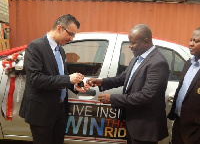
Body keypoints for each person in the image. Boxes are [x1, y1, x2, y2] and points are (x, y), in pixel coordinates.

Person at [87, 24, 169, 144]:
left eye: (133, 43)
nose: (130, 46)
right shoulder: (138, 57)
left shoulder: (158, 62)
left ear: (146, 41)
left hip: (145, 127)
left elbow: (146, 95)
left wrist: (113, 98)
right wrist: (102, 82)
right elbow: (124, 77)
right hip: (134, 123)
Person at [19, 14, 89, 144]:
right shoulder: (35, 47)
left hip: (59, 111)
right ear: (59, 28)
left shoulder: (60, 50)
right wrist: (68, 79)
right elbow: (35, 79)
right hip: (42, 113)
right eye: (70, 34)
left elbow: (62, 75)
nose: (72, 39)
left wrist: (74, 85)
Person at [168, 27, 200, 144]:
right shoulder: (188, 64)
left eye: (196, 41)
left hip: (195, 129)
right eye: (190, 40)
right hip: (179, 123)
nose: (191, 44)